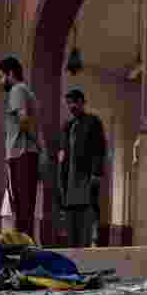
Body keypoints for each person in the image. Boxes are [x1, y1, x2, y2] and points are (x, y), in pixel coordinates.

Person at [0, 56, 42, 238]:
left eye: (1, 76)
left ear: (11, 73)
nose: (0, 81)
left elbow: (23, 120)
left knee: (22, 207)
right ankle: (27, 247)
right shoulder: (26, 91)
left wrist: (38, 145)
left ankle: (24, 250)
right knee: (27, 206)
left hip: (21, 154)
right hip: (26, 154)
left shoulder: (16, 90)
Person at [58, 87, 107, 248]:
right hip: (69, 182)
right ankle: (73, 253)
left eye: (75, 102)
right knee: (71, 221)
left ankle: (87, 250)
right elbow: (63, 152)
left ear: (82, 103)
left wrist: (96, 173)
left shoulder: (93, 122)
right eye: (69, 103)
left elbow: (100, 149)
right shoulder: (68, 125)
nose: (72, 106)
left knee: (86, 217)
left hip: (86, 178)